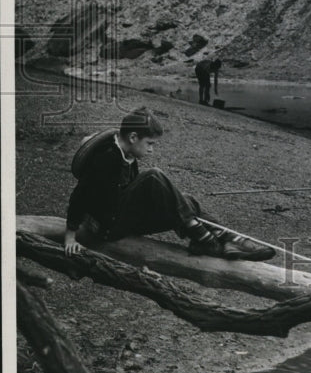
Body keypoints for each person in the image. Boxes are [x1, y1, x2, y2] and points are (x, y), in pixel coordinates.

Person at [64, 106, 275, 262]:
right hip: (106, 229)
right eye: (150, 144)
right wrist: (70, 236)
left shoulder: (127, 154)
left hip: (121, 219)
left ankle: (226, 239)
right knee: (153, 176)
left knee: (185, 200)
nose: (151, 150)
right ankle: (206, 238)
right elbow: (80, 194)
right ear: (133, 137)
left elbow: (131, 196)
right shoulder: (107, 157)